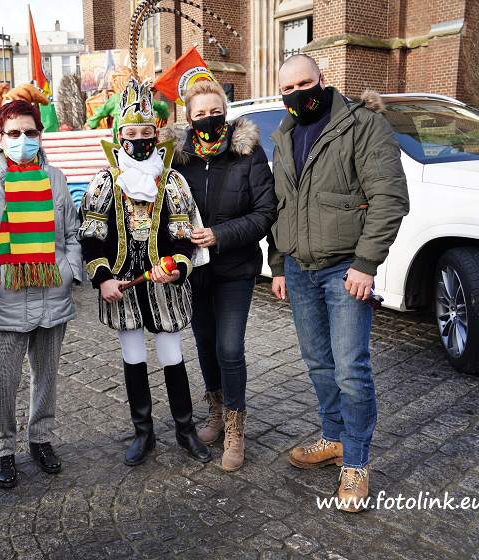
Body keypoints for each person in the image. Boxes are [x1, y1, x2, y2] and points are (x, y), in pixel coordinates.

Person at [268, 54, 409, 511]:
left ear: (322, 80)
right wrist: (279, 263)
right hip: (299, 270)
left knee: (351, 368)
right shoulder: (285, 134)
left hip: (345, 268)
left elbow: (389, 197)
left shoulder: (362, 124)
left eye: (304, 84)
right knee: (318, 363)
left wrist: (366, 263)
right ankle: (333, 438)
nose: (297, 94)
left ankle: (357, 461)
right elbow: (281, 205)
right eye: (288, 89)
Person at [78, 78, 211, 467]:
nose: (139, 140)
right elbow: (91, 234)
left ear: (157, 133)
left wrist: (178, 266)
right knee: (133, 355)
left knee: (172, 354)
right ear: (119, 135)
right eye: (131, 133)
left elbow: (184, 233)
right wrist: (102, 278)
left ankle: (185, 429)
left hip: (164, 284)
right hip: (121, 284)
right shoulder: (105, 180)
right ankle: (143, 432)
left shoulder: (172, 180)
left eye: (146, 132)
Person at [0, 100, 83, 489]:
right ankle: (3, 449)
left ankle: (41, 439)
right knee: (1, 381)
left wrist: (68, 272)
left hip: (51, 296)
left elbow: (72, 232)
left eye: (30, 132)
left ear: (40, 135)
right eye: (14, 133)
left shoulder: (56, 178)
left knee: (46, 376)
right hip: (4, 300)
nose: (23, 139)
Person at [171, 80, 276, 472]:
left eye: (215, 112)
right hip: (194, 270)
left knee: (229, 348)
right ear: (189, 118)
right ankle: (216, 411)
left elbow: (264, 212)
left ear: (226, 112)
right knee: (205, 344)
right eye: (200, 113)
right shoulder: (178, 158)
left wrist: (220, 234)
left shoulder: (247, 153)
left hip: (235, 267)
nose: (208, 119)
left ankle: (235, 425)